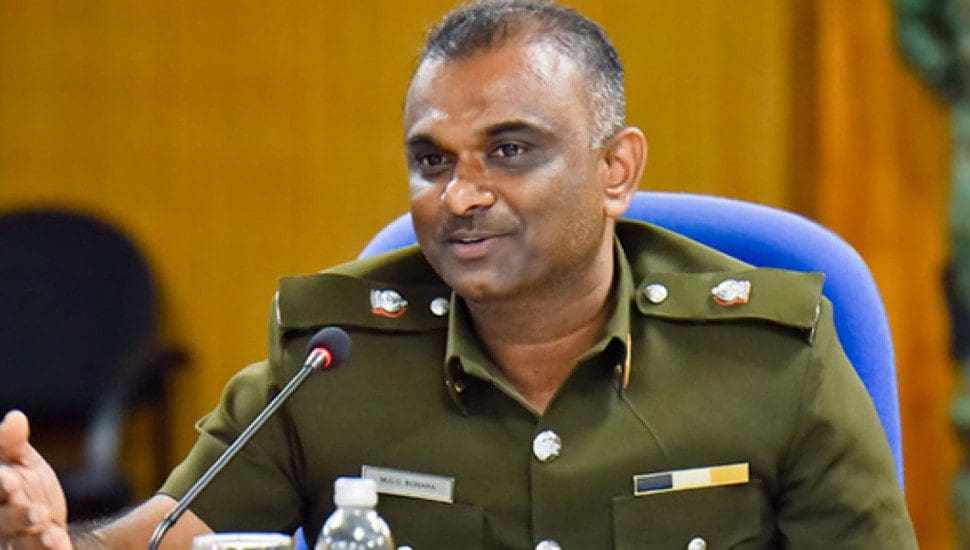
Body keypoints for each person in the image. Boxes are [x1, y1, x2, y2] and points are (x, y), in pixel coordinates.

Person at [0, 1, 917, 548]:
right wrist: (49, 539)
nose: (461, 196)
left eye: (510, 150)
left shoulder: (772, 359)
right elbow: (166, 537)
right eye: (432, 161)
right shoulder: (333, 361)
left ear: (616, 170)